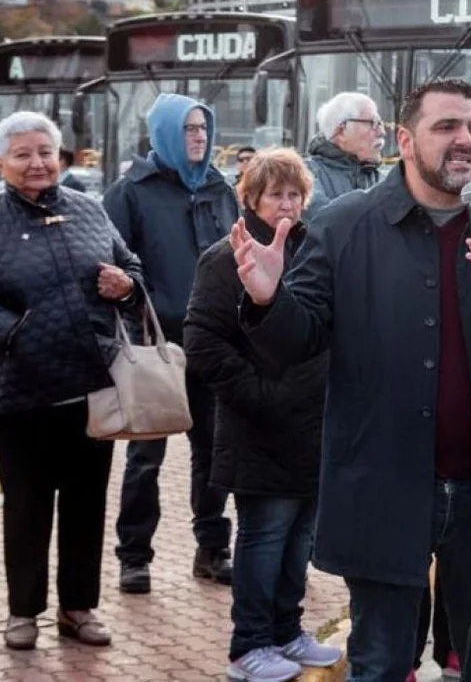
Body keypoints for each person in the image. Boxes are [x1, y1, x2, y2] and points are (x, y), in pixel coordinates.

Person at [231, 78, 471, 681]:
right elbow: (296, 341)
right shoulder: (343, 226)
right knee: (382, 664)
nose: (464, 139)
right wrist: (266, 301)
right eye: (446, 127)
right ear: (404, 139)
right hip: (384, 489)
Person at [0, 111, 144, 651]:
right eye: (24, 154)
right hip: (22, 395)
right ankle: (23, 612)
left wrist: (125, 285)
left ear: (61, 156)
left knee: (85, 505)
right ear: (2, 162)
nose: (38, 163)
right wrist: (13, 331)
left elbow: (133, 270)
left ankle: (79, 609)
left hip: (89, 390)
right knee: (27, 507)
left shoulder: (89, 210)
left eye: (46, 152)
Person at [186, 147, 343, 682]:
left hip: (313, 424)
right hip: (259, 427)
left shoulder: (313, 249)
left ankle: (286, 631)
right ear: (250, 197)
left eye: (295, 193)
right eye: (276, 193)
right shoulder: (223, 258)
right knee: (264, 536)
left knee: (299, 537)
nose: (288, 203)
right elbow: (203, 341)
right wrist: (259, 393)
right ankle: (249, 644)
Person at [107, 93, 240, 594]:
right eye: (187, 129)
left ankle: (212, 549)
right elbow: (111, 267)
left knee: (213, 452)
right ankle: (134, 557)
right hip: (155, 344)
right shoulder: (130, 192)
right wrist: (136, 314)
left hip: (213, 342)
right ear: (164, 133)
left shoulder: (219, 188)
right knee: (147, 456)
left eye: (203, 128)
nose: (199, 137)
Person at [304, 91, 383, 216]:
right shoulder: (305, 175)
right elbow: (324, 224)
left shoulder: (385, 179)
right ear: (341, 131)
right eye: (372, 123)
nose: (381, 132)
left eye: (380, 123)